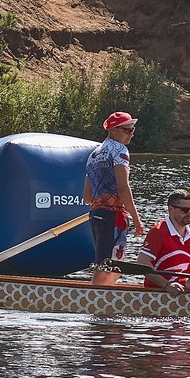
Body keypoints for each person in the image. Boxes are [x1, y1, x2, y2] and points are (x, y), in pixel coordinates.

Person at [80, 111, 141, 269]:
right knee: (111, 265)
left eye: (132, 130)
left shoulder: (93, 155)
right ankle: (96, 292)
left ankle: (99, 292)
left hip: (96, 216)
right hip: (113, 216)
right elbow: (123, 188)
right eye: (126, 130)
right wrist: (136, 218)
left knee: (107, 265)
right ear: (113, 130)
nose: (131, 134)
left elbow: (87, 197)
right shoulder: (120, 150)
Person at [133, 188, 190, 289]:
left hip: (180, 285)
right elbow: (142, 262)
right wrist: (166, 285)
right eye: (184, 210)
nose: (189, 214)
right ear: (171, 209)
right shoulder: (158, 232)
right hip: (159, 288)